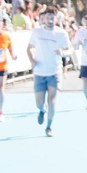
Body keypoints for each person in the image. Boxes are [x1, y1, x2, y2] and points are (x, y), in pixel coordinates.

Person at [28, 7, 70, 136]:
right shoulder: (37, 32)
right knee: (39, 103)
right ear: (43, 19)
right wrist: (32, 61)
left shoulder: (61, 33)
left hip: (54, 72)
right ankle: (41, 110)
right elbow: (29, 48)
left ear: (56, 18)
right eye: (47, 17)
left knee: (52, 100)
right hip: (40, 72)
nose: (50, 20)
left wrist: (62, 52)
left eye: (52, 17)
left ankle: (49, 127)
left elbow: (69, 50)